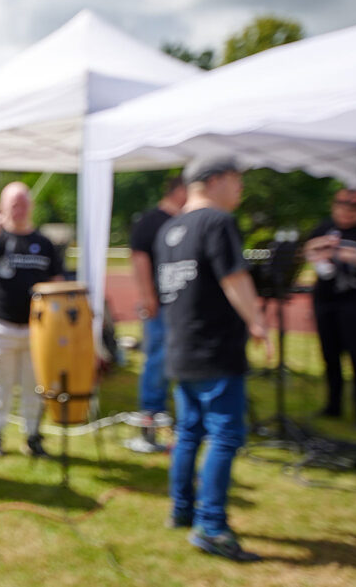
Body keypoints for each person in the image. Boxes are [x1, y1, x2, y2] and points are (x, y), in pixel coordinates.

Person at [155, 156, 270, 562]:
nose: (240, 190)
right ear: (215, 180)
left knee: (189, 432)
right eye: (237, 181)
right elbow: (234, 278)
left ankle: (182, 509)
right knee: (224, 435)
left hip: (182, 348)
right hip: (214, 350)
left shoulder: (169, 229)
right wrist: (257, 323)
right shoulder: (217, 223)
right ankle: (212, 527)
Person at [0, 182, 64, 459]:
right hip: (0, 327)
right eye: (13, 204)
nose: (19, 209)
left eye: (23, 203)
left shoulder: (44, 243)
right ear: (4, 205)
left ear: (30, 206)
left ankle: (33, 436)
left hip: (36, 330)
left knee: (35, 388)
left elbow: (57, 282)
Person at [304, 188, 356, 428]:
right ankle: (334, 406)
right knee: (330, 356)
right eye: (342, 207)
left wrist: (341, 252)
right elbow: (308, 249)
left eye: (352, 209)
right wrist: (321, 246)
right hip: (326, 301)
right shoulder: (325, 227)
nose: (346, 213)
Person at [128, 176, 187, 451]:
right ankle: (151, 417)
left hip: (182, 304)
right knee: (158, 360)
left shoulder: (186, 219)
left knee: (177, 360)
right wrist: (147, 296)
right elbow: (138, 257)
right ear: (180, 191)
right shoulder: (152, 220)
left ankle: (173, 418)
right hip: (160, 306)